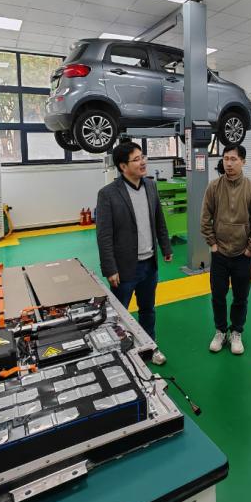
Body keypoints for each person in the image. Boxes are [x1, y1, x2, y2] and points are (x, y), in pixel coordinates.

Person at [96, 142, 173, 365]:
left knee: (148, 310)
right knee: (118, 315)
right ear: (123, 166)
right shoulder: (108, 194)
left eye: (143, 157)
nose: (143, 162)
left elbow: (159, 219)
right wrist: (110, 268)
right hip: (124, 268)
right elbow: (104, 235)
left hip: (149, 264)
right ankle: (118, 354)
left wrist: (165, 247)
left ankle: (150, 346)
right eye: (137, 159)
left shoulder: (150, 186)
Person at [201, 145, 251, 354]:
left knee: (240, 297)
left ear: (243, 162)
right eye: (225, 158)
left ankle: (236, 332)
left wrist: (250, 250)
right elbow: (205, 218)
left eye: (233, 159)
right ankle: (220, 331)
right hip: (219, 254)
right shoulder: (213, 187)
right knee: (217, 295)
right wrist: (213, 244)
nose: (228, 163)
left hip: (242, 255)